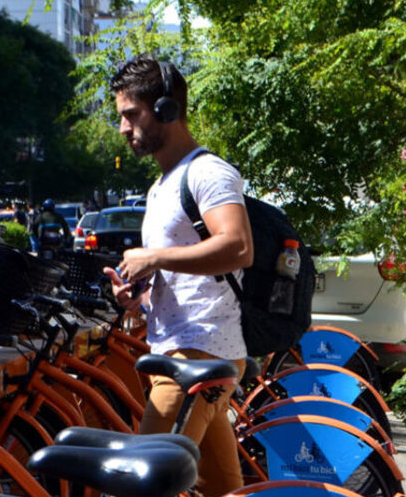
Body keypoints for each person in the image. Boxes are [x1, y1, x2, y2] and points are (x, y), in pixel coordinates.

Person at [103, 54, 253, 497]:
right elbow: (187, 276)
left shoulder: (207, 173)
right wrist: (140, 296)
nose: (123, 129)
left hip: (197, 358)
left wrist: (156, 258)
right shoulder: (162, 184)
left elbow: (239, 246)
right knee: (222, 489)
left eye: (131, 115)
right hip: (188, 352)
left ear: (166, 110)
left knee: (141, 484)